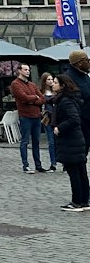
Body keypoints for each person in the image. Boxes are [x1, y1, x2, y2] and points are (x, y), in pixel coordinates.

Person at [54, 75, 90, 211]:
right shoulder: (69, 99)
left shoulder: (65, 101)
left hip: (71, 140)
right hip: (76, 139)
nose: (53, 85)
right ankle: (84, 200)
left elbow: (74, 118)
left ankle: (77, 202)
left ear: (63, 85)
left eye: (56, 83)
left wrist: (59, 127)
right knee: (80, 171)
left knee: (75, 172)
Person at [9, 65, 46, 173]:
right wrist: (34, 97)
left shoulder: (32, 84)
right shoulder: (15, 84)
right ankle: (25, 165)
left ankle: (38, 165)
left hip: (36, 116)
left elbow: (42, 99)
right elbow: (23, 97)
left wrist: (32, 100)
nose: (28, 72)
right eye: (25, 70)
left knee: (36, 141)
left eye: (29, 70)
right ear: (19, 71)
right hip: (25, 116)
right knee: (25, 141)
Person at [63, 49, 90, 156]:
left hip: (87, 121)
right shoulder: (68, 78)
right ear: (79, 63)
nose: (89, 63)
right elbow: (70, 102)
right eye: (87, 60)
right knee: (79, 155)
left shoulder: (85, 76)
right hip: (79, 123)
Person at [38, 73, 59, 171]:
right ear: (44, 81)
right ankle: (53, 163)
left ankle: (63, 163)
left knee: (59, 141)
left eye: (51, 79)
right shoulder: (41, 92)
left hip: (57, 118)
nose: (51, 81)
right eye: (48, 79)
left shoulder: (56, 91)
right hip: (48, 118)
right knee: (51, 142)